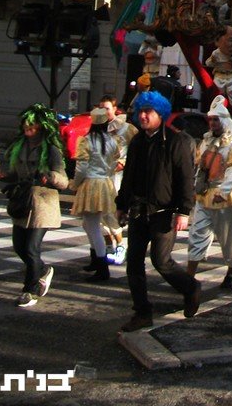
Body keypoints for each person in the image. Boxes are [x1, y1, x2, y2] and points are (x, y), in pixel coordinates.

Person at [115, 90, 200, 332]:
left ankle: (190, 287)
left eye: (148, 112)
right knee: (133, 263)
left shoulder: (177, 141)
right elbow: (128, 176)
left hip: (164, 210)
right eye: (140, 111)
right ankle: (142, 312)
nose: (142, 116)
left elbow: (185, 178)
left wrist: (184, 211)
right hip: (139, 209)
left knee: (161, 261)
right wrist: (121, 205)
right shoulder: (138, 141)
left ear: (160, 114)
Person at [0, 104, 69, 307]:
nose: (29, 130)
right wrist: (3, 174)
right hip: (22, 202)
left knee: (31, 248)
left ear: (41, 127)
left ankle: (30, 290)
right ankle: (43, 270)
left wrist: (49, 176)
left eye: (33, 126)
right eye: (26, 126)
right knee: (19, 247)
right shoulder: (20, 146)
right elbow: (13, 172)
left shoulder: (51, 150)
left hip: (42, 205)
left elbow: (64, 180)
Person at [187, 96, 232, 292]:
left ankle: (231, 272)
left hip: (225, 196)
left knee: (230, 236)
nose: (212, 123)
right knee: (197, 233)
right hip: (205, 194)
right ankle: (188, 277)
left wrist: (225, 190)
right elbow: (199, 168)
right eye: (210, 119)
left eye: (215, 119)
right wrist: (194, 189)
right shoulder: (206, 141)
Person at [70, 106, 120, 281]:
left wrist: (75, 184)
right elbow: (115, 163)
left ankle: (101, 266)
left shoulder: (86, 140)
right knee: (91, 224)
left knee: (92, 225)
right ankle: (96, 260)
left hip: (91, 184)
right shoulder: (112, 141)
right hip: (105, 183)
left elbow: (81, 167)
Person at [97, 94, 137, 260]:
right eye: (101, 108)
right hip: (100, 175)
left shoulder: (127, 128)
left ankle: (121, 245)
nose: (104, 112)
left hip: (118, 176)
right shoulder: (98, 127)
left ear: (114, 109)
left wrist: (124, 163)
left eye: (107, 108)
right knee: (99, 212)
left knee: (112, 211)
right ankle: (108, 245)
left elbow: (137, 151)